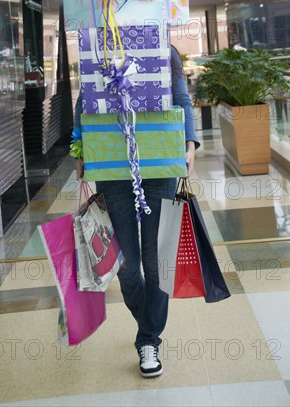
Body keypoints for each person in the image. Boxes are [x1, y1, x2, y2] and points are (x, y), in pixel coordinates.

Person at [74, 46, 200, 378]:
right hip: (113, 169)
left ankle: (148, 340)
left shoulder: (164, 48)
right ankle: (148, 321)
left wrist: (189, 145)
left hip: (160, 167)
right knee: (126, 266)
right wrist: (79, 149)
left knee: (157, 265)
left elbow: (182, 98)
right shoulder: (99, 49)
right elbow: (84, 100)